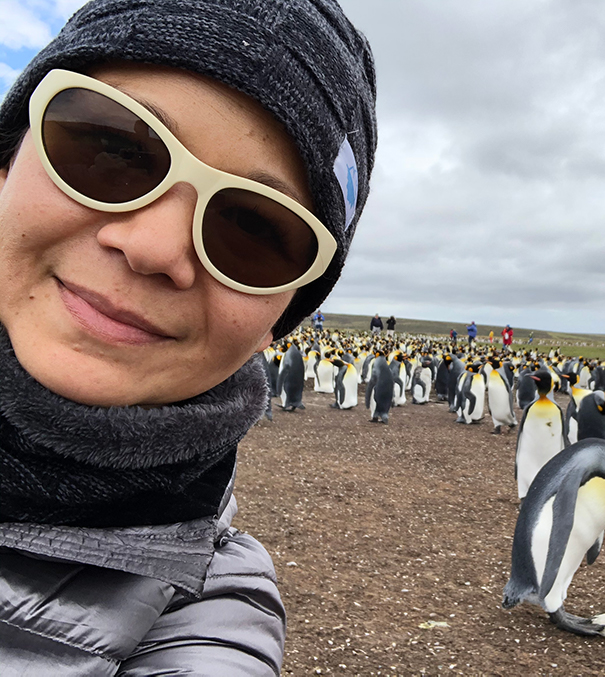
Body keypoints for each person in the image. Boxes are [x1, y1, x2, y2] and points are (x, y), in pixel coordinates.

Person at [0, 0, 376, 672]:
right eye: (110, 147)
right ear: (5, 164)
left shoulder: (206, 616)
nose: (153, 246)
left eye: (253, 230)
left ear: (278, 320)